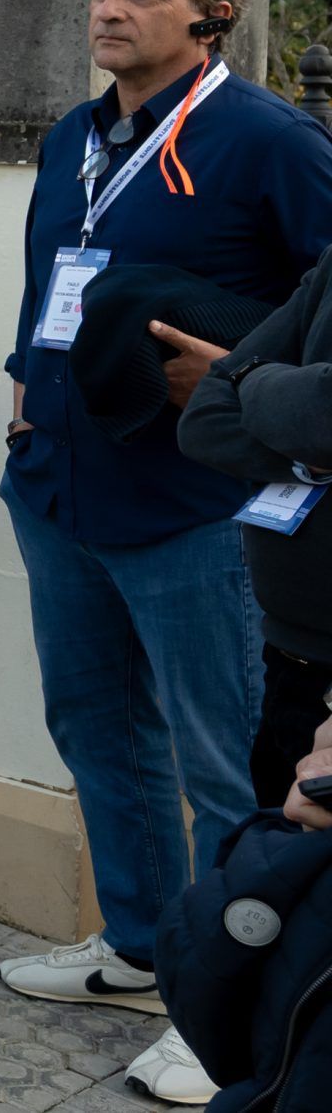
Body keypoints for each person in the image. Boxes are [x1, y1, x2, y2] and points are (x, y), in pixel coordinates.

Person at [0, 0, 332, 1106]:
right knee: (94, 724)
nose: (108, 8)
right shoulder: (71, 137)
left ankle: (224, 996)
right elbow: (45, 285)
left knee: (222, 755)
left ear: (211, 15)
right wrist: (22, 405)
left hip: (197, 502)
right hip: (58, 487)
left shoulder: (270, 140)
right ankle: (139, 946)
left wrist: (240, 381)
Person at [181, 238, 332, 810]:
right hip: (290, 661)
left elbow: (322, 415)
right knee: (274, 850)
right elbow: (204, 417)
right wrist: (309, 457)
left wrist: (254, 375)